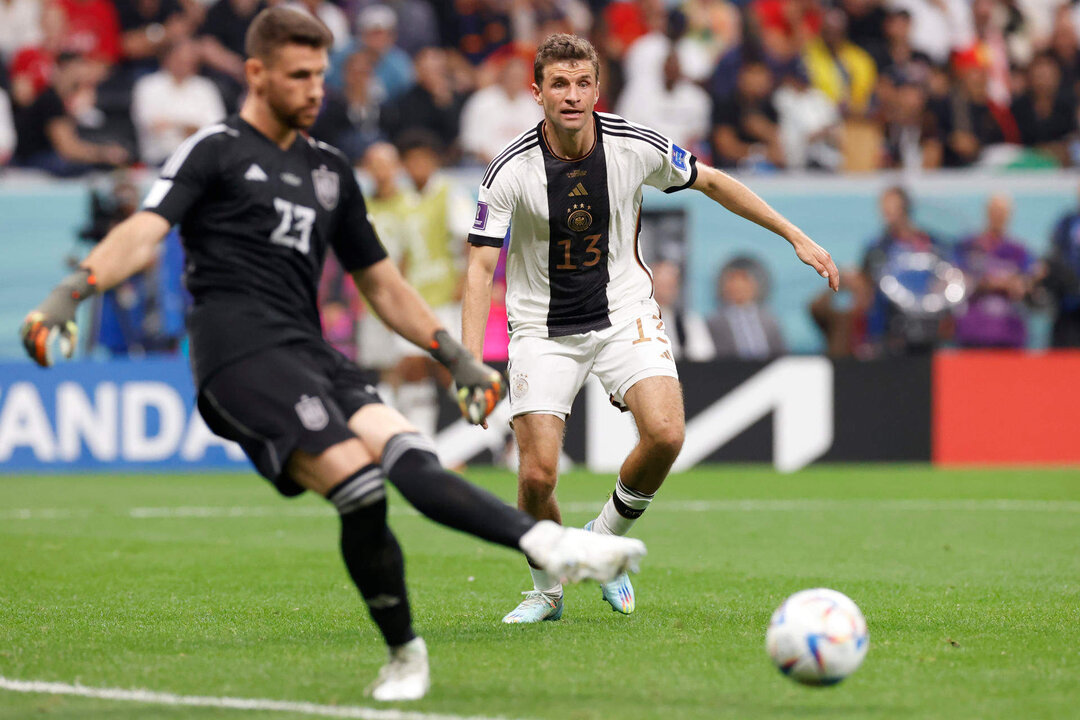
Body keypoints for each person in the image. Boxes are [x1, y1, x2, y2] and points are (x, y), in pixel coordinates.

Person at [19, 8, 645, 703]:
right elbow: (144, 230)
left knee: (409, 457)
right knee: (360, 482)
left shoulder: (328, 170)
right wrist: (71, 292)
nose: (315, 88)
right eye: (299, 75)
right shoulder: (215, 150)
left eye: (320, 73)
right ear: (256, 74)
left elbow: (379, 281)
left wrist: (454, 357)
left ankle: (458, 618)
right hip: (237, 356)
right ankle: (501, 583)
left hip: (309, 352)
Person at [462, 33, 837, 624]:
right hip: (541, 327)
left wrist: (795, 235)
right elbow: (482, 264)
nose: (572, 95)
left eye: (583, 82)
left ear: (597, 89)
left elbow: (712, 181)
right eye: (558, 83)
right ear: (537, 92)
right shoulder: (509, 169)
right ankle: (548, 589)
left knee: (665, 435)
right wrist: (468, 362)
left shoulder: (633, 145)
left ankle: (605, 541)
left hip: (624, 311)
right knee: (536, 475)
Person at [952, 193, 1034, 349]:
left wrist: (1019, 284)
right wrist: (990, 283)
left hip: (1009, 334)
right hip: (973, 332)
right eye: (994, 211)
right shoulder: (969, 246)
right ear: (987, 212)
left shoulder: (1018, 250)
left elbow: (1028, 282)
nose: (998, 217)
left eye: (1002, 212)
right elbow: (956, 279)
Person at [707, 255, 787, 359]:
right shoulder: (714, 323)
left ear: (753, 287)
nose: (738, 288)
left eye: (744, 283)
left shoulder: (770, 321)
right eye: (733, 283)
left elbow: (781, 352)